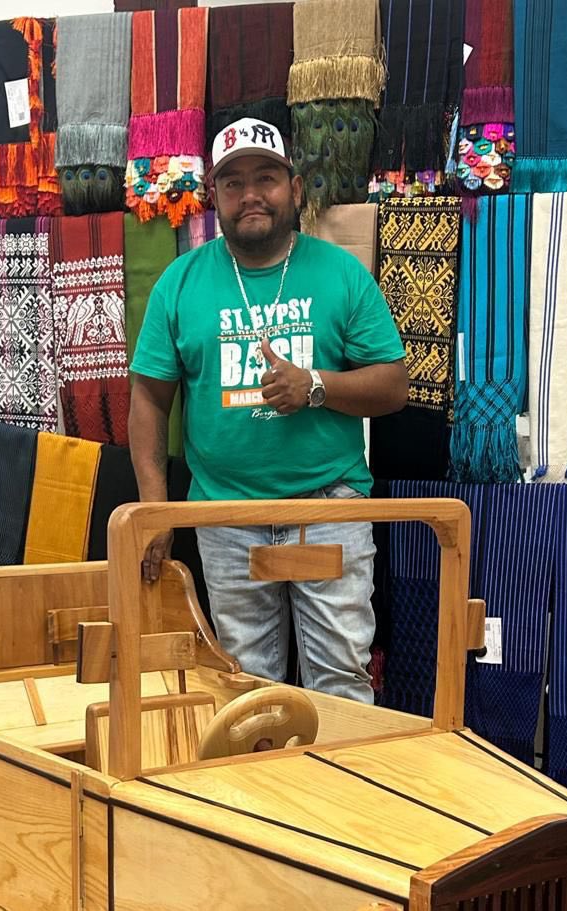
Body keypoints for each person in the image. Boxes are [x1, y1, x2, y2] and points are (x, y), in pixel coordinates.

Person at [128, 118, 408, 703]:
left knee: (341, 681)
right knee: (246, 685)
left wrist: (316, 386)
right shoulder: (179, 283)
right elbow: (149, 399)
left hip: (327, 507)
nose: (250, 194)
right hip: (226, 515)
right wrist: (155, 510)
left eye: (266, 178)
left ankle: (340, 767)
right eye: (233, 183)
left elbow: (393, 387)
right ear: (214, 197)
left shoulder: (340, 273)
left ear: (296, 189)